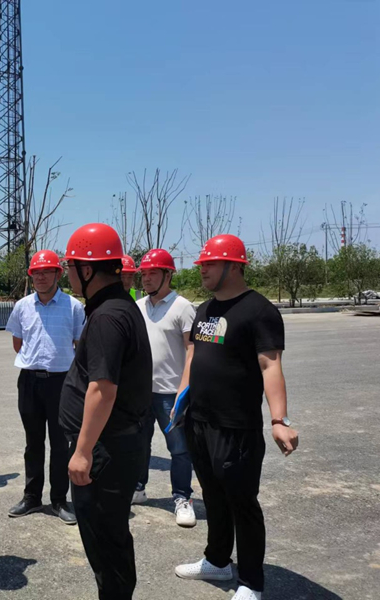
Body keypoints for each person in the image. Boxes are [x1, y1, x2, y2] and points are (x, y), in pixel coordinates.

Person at [174, 234, 299, 600]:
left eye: (210, 264)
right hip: (200, 421)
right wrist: (181, 400)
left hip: (236, 427)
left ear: (234, 266)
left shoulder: (259, 311)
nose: (203, 270)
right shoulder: (204, 310)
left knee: (242, 502)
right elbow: (194, 356)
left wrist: (279, 420)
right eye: (202, 265)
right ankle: (217, 560)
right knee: (212, 495)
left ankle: (251, 582)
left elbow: (270, 365)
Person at [59, 223, 152, 599]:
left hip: (104, 451)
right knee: (110, 537)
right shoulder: (119, 306)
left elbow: (103, 389)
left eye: (70, 266)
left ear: (87, 270)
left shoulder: (107, 317)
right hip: (114, 444)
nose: (67, 273)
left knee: (105, 541)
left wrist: (83, 451)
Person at [5, 250, 85, 525]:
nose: (40, 277)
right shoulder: (23, 306)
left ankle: (60, 499)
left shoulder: (73, 307)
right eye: (36, 273)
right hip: (29, 381)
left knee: (61, 444)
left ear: (58, 274)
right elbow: (18, 343)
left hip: (61, 382)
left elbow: (79, 345)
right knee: (33, 442)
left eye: (46, 272)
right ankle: (32, 496)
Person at [133, 249, 197, 528]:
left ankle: (182, 498)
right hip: (141, 392)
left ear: (168, 275)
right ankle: (138, 488)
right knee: (138, 444)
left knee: (179, 449)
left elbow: (192, 350)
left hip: (171, 393)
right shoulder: (138, 306)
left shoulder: (183, 307)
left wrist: (185, 390)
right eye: (144, 274)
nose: (146, 278)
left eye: (153, 273)